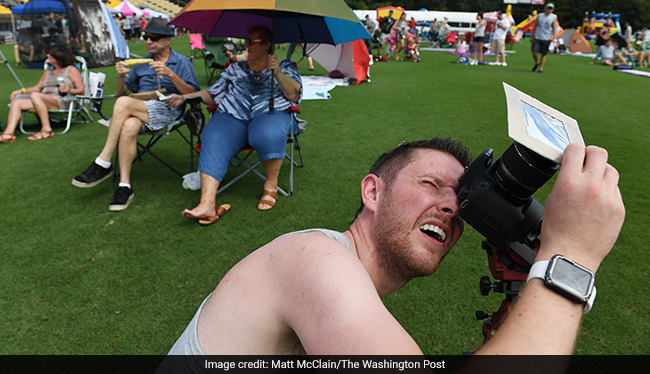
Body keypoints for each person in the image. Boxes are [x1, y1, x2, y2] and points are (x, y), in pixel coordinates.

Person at [164, 137, 624, 355]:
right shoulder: (312, 259)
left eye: (461, 198)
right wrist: (572, 257)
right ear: (372, 192)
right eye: (430, 184)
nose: (451, 207)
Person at [167, 25, 301, 223]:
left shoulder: (286, 66)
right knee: (213, 136)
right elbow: (212, 94)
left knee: (268, 133)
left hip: (269, 113)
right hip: (232, 115)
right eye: (245, 41)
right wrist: (184, 98)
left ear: (266, 45)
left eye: (251, 42)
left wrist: (278, 73)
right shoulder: (236, 68)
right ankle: (207, 204)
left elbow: (294, 95)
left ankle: (270, 187)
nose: (245, 45)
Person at [70, 18, 200, 211]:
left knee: (123, 104)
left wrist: (171, 75)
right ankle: (124, 186)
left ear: (167, 40)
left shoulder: (180, 62)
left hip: (168, 109)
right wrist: (121, 76)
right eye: (146, 36)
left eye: (154, 38)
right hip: (139, 108)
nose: (148, 41)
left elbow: (193, 95)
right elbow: (123, 93)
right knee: (128, 125)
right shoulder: (141, 63)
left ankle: (104, 161)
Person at [1, 45, 84, 143]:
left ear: (58, 58)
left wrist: (69, 90)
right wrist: (21, 91)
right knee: (16, 102)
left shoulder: (71, 70)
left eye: (51, 55)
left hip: (61, 101)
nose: (47, 56)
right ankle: (8, 134)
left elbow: (82, 90)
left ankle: (46, 129)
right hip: (43, 100)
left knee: (35, 95)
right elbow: (36, 88)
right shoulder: (48, 72)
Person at [531, 3, 560, 73]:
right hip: (538, 36)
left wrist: (554, 37)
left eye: (550, 8)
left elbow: (554, 27)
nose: (549, 10)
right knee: (534, 52)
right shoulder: (540, 15)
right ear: (545, 8)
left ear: (552, 10)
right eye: (548, 8)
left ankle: (541, 68)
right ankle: (537, 62)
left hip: (547, 37)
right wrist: (532, 35)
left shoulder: (553, 17)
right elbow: (535, 25)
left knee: (543, 54)